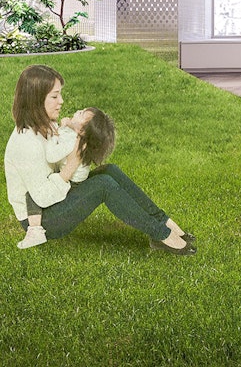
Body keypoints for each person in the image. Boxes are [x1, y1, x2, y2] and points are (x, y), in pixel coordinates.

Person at [4, 65, 196, 255]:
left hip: (56, 197)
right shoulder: (26, 143)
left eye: (60, 94)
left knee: (109, 170)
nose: (61, 101)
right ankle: (162, 235)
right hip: (40, 220)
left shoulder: (46, 123)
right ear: (36, 100)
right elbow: (42, 198)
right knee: (103, 185)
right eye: (54, 96)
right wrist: (73, 163)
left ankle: (165, 223)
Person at [19, 106, 115, 248]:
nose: (77, 112)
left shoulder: (71, 140)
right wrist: (65, 126)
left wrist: (56, 132)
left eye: (81, 113)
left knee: (33, 193)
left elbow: (51, 156)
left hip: (70, 183)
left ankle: (34, 230)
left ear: (82, 130)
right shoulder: (79, 138)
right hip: (75, 181)